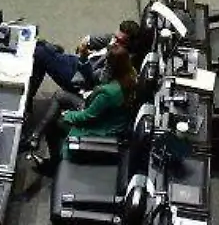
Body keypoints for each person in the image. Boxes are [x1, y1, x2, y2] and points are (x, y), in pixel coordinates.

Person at [27, 45, 138, 175]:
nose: (105, 64)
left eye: (108, 62)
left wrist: (69, 115)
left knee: (55, 125)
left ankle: (54, 165)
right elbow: (94, 81)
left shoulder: (109, 93)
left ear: (114, 66)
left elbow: (88, 116)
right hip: (107, 114)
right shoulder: (130, 75)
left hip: (102, 128)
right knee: (60, 95)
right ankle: (35, 135)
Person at [26, 20, 152, 107]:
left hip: (78, 78)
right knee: (41, 49)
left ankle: (27, 99)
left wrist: (86, 57)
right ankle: (28, 98)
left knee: (39, 52)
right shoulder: (115, 40)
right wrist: (84, 46)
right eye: (115, 37)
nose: (114, 42)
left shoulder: (119, 61)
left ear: (129, 44)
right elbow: (89, 39)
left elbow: (93, 79)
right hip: (77, 61)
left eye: (119, 41)